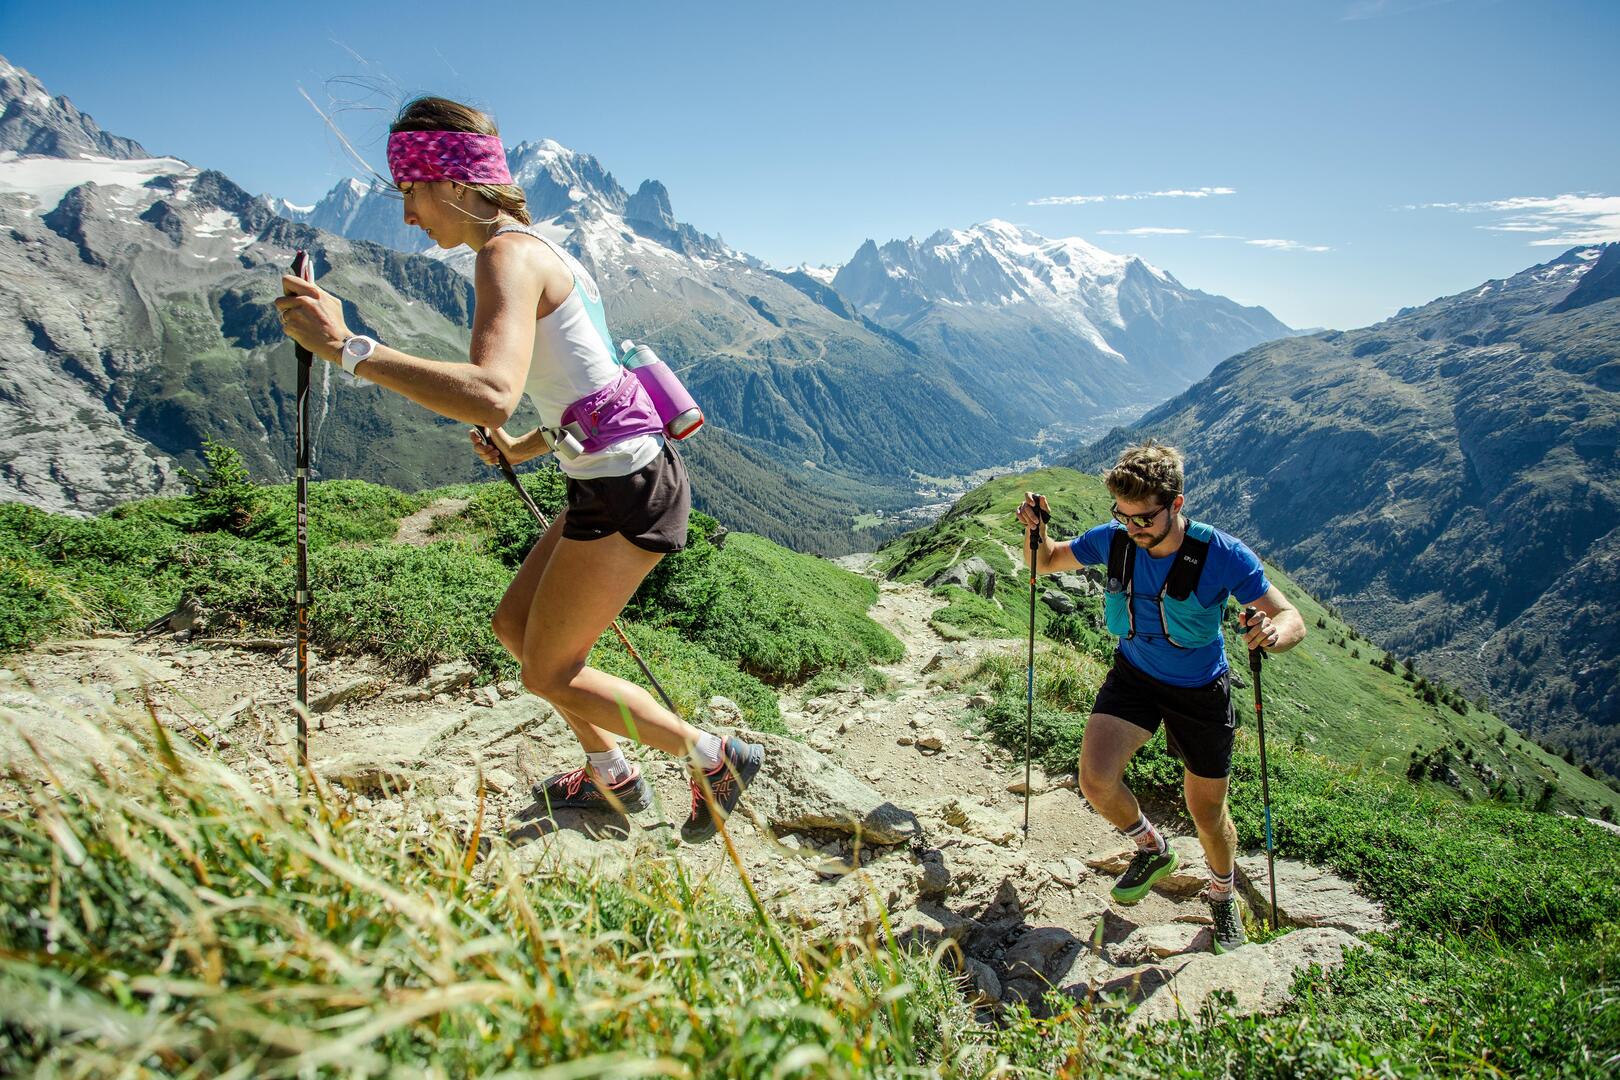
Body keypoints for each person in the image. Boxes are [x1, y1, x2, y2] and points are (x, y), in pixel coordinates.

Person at [274, 96, 762, 842]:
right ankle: (611, 774)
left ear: (456, 184)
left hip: (627, 487)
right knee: (514, 627)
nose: (406, 213)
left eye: (409, 189)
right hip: (617, 472)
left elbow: (494, 392)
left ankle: (711, 756)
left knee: (549, 671)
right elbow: (591, 390)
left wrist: (349, 347)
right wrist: (522, 449)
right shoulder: (542, 249)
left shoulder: (505, 255)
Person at [1015, 441, 1304, 952]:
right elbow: (1047, 562)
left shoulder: (1223, 555)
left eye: (1144, 518)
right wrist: (1034, 532)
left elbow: (1290, 617)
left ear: (1176, 504)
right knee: (1096, 780)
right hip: (1134, 676)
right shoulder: (1117, 540)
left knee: (1208, 813)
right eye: (1122, 517)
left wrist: (1273, 635)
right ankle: (1151, 846)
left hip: (1199, 692)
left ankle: (1221, 894)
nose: (1133, 528)